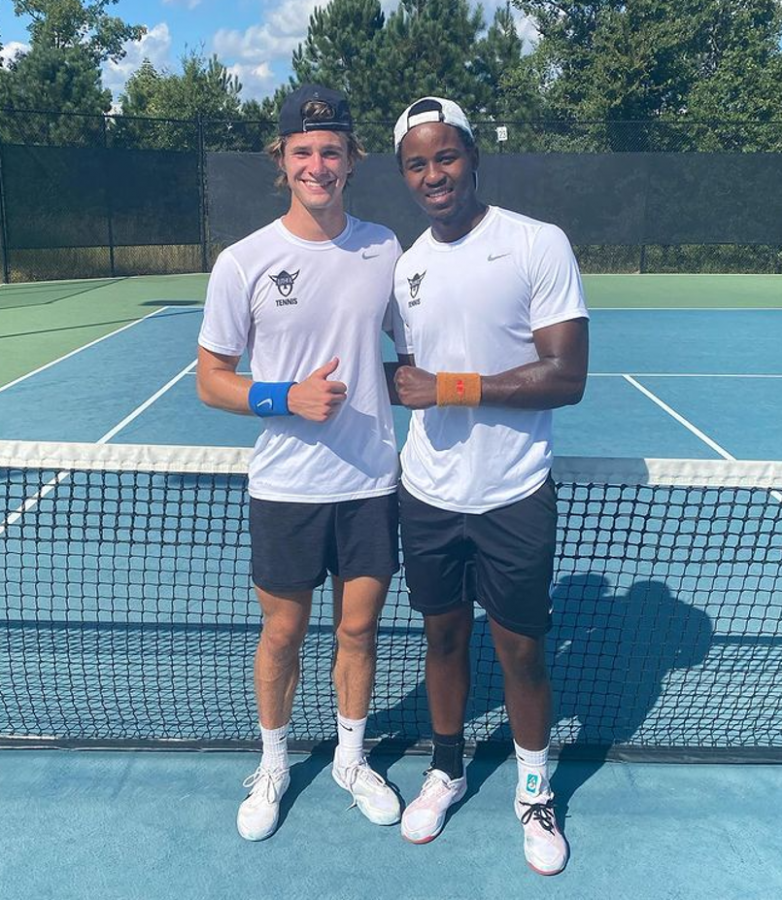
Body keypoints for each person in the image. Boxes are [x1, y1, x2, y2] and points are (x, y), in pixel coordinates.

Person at [196, 84, 402, 841]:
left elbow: (416, 347)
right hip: (284, 486)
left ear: (351, 160)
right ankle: (275, 762)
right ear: (281, 161)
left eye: (331, 150)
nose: (318, 163)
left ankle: (351, 758)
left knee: (359, 632)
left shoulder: (385, 248)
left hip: (371, 482)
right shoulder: (242, 262)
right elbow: (211, 378)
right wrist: (285, 397)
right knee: (281, 635)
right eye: (302, 151)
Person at [390, 97, 589, 875]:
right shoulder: (406, 267)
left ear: (471, 157)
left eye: (445, 157)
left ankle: (535, 791)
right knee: (441, 637)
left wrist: (451, 388)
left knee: (520, 650)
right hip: (427, 494)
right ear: (404, 173)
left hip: (512, 495)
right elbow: (404, 374)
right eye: (417, 163)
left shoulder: (536, 244)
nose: (433, 174)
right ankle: (446, 766)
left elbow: (565, 376)